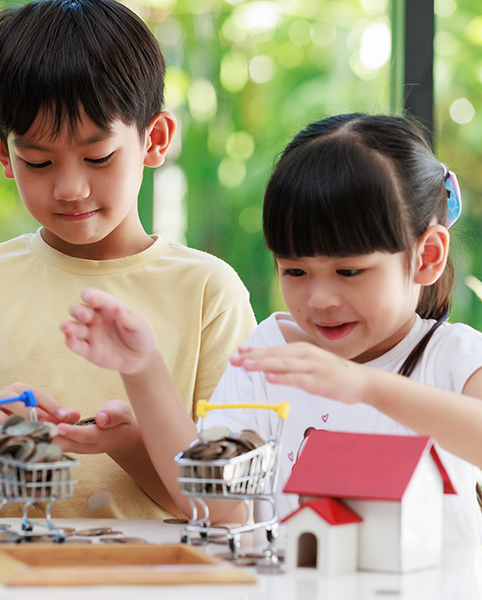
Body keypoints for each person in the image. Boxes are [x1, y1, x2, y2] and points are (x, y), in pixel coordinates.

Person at [0, 0, 257, 521]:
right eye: (38, 161)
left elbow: (231, 513)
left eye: (98, 157)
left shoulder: (207, 293)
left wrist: (131, 447)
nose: (70, 188)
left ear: (156, 139)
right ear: (1, 151)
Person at [61, 113, 482, 544]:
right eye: (295, 271)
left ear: (427, 257)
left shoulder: (455, 357)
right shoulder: (271, 351)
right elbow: (216, 503)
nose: (319, 299)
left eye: (349, 271)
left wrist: (366, 386)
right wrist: (142, 369)